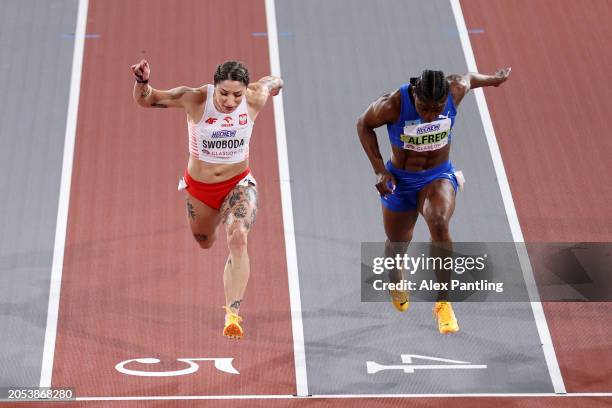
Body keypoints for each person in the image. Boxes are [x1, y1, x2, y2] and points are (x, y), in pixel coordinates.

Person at [131, 59, 283, 339]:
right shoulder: (196, 98)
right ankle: (209, 232)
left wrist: (275, 83)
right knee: (204, 241)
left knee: (238, 236)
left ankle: (232, 314)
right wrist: (142, 82)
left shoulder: (254, 99)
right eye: (224, 93)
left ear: (246, 91)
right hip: (200, 190)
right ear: (214, 86)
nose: (230, 101)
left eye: (237, 95)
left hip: (239, 183)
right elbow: (148, 100)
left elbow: (269, 82)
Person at [356, 68, 511, 334]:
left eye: (437, 109)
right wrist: (380, 169)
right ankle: (396, 278)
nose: (430, 115)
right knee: (396, 245)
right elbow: (363, 124)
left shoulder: (455, 89)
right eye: (424, 109)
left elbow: (470, 78)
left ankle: (443, 302)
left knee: (438, 222)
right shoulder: (393, 103)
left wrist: (493, 81)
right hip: (401, 181)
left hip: (438, 176)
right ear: (415, 94)